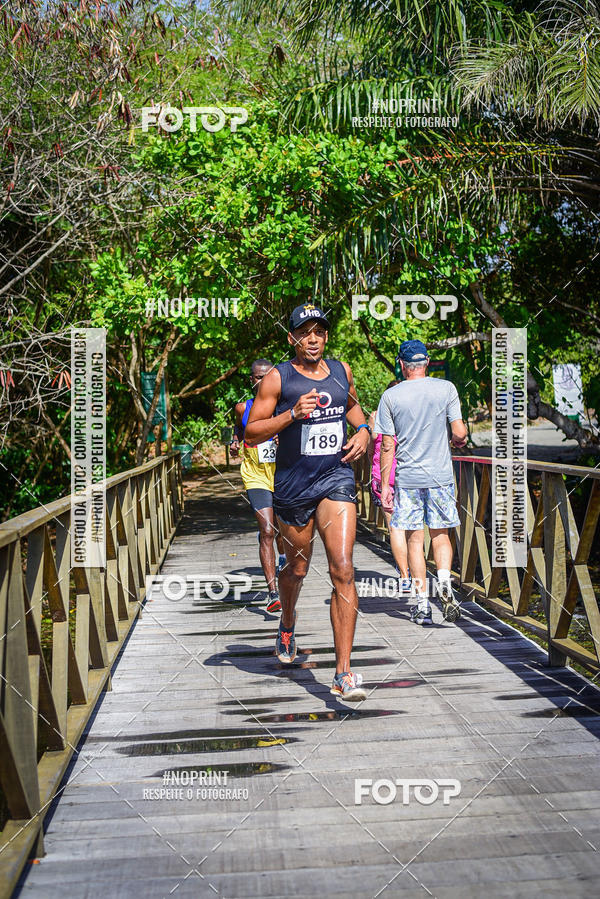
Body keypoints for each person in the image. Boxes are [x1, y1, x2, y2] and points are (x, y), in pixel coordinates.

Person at [244, 304, 370, 702]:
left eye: (319, 331)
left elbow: (352, 407)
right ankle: (287, 619)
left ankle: (343, 674)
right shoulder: (278, 379)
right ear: (292, 338)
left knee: (344, 569)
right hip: (294, 486)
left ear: (326, 337)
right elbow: (250, 432)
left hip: (335, 479)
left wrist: (364, 430)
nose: (312, 338)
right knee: (296, 570)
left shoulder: (340, 371)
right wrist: (290, 416)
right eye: (304, 332)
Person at [375, 340, 467, 626]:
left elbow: (387, 446)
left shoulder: (391, 397)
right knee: (441, 536)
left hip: (408, 480)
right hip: (439, 477)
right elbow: (460, 433)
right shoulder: (446, 389)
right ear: (426, 361)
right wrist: (457, 439)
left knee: (415, 539)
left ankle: (422, 605)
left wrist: (386, 487)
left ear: (401, 365)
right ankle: (445, 587)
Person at [231, 359, 286, 613]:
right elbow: (239, 432)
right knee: (267, 529)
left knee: (285, 530)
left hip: (284, 474)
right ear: (251, 381)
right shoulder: (243, 408)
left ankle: (283, 559)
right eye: (257, 377)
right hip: (256, 475)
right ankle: (273, 593)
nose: (262, 381)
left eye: (267, 376)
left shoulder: (285, 404)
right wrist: (234, 443)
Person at [368, 382, 410, 594]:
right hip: (409, 475)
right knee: (412, 527)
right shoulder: (412, 414)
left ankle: (404, 575)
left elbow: (372, 445)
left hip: (384, 477)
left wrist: (373, 470)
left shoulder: (376, 416)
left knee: (395, 527)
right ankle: (412, 569)